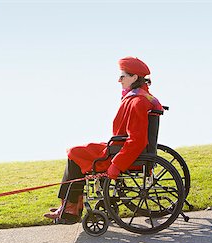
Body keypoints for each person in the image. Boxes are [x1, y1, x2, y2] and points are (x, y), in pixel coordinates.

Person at [43, 56, 163, 224]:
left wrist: (117, 165)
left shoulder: (137, 101)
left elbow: (137, 140)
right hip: (119, 147)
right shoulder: (142, 97)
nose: (119, 80)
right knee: (75, 152)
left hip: (120, 153)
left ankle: (70, 207)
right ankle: (69, 206)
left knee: (74, 153)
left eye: (123, 76)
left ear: (134, 77)